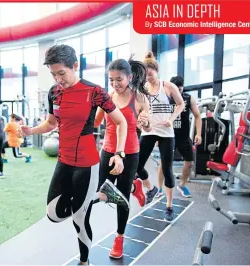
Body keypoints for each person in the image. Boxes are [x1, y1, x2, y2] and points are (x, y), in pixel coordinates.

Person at [20, 44, 129, 265]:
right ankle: (105, 195)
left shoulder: (95, 91)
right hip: (64, 160)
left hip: (87, 163)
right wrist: (31, 131)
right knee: (54, 213)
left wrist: (119, 153)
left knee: (79, 217)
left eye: (62, 73)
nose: (58, 79)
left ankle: (84, 261)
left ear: (75, 66)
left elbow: (121, 121)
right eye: (53, 74)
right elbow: (51, 123)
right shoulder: (54, 92)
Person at [93, 57, 151, 258]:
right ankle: (136, 186)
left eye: (119, 79)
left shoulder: (140, 98)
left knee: (122, 199)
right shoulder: (107, 98)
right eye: (111, 80)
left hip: (130, 152)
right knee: (102, 191)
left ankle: (119, 238)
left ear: (130, 77)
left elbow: (148, 125)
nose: (115, 84)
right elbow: (95, 123)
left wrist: (145, 121)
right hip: (108, 150)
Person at [136, 52, 185, 222]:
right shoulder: (142, 90)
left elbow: (181, 104)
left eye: (150, 74)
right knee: (137, 165)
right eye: (145, 75)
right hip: (149, 131)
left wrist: (171, 119)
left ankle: (170, 206)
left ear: (156, 71)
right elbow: (140, 111)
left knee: (167, 169)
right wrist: (140, 121)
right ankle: (151, 189)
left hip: (166, 133)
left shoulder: (168, 86)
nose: (148, 78)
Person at [156, 76, 202, 198]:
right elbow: (157, 117)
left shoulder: (188, 98)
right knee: (163, 163)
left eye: (180, 90)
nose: (178, 92)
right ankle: (159, 188)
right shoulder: (164, 97)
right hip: (167, 136)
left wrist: (198, 133)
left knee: (189, 163)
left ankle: (182, 185)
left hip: (183, 137)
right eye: (176, 89)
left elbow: (197, 116)